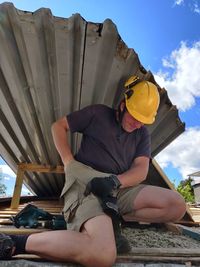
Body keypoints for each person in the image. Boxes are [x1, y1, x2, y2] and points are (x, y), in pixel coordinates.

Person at [0, 76, 186, 267]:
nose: (137, 124)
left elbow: (140, 170)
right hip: (86, 185)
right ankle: (15, 243)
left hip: (116, 187)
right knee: (102, 254)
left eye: (143, 121)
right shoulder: (98, 113)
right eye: (134, 116)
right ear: (123, 105)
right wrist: (68, 161)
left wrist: (115, 182)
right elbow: (58, 126)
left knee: (177, 206)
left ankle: (113, 217)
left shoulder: (141, 134)